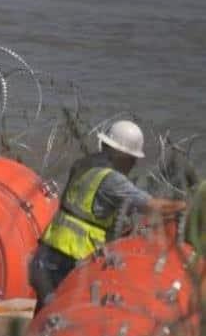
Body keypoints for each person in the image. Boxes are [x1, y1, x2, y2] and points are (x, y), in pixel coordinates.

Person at [29, 120, 187, 313]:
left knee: (44, 321)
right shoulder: (112, 180)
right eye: (132, 157)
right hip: (65, 262)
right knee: (62, 320)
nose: (135, 163)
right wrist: (190, 206)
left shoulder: (84, 165)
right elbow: (153, 206)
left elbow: (88, 211)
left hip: (45, 256)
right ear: (123, 155)